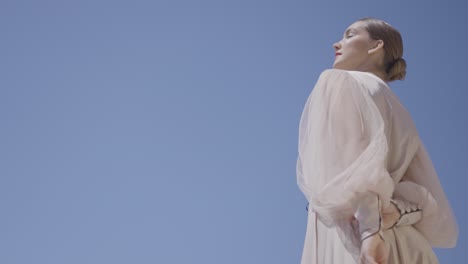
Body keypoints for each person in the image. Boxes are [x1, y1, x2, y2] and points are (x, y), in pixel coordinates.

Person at [296, 17, 458, 264]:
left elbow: (358, 168)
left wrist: (370, 233)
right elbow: (429, 206)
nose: (336, 44)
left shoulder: (340, 82)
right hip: (408, 245)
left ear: (375, 46)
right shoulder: (400, 111)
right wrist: (393, 216)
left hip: (361, 239)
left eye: (350, 35)